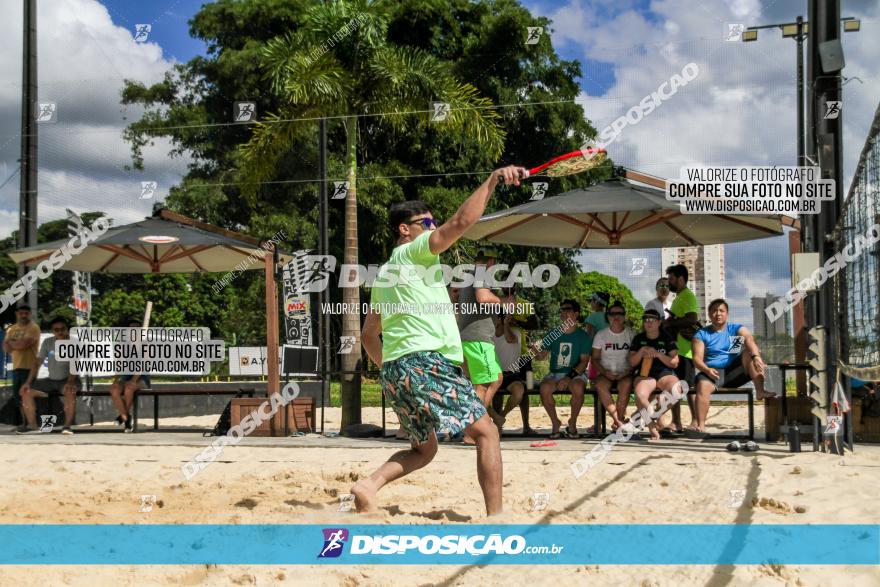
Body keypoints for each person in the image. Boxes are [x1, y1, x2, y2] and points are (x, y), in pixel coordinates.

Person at [355, 165, 526, 516]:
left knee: (424, 450)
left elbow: (369, 335)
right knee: (487, 432)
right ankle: (496, 520)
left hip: (396, 370)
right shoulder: (413, 251)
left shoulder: (384, 275)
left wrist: (391, 369)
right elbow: (461, 223)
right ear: (405, 230)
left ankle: (368, 485)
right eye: (426, 223)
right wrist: (492, 180)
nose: (433, 229)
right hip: (424, 362)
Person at [691, 298, 777, 435]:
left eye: (721, 311)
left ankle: (760, 391)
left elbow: (749, 339)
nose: (718, 314)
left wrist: (756, 356)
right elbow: (696, 359)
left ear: (727, 314)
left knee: (749, 353)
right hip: (712, 373)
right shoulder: (701, 334)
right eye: (714, 311)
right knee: (702, 385)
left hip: (733, 372)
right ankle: (701, 425)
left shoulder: (735, 329)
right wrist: (706, 369)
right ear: (709, 314)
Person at [457, 248, 512, 435]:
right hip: (478, 338)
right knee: (484, 384)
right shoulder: (481, 273)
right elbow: (483, 297)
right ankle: (473, 431)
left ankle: (484, 420)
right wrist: (505, 301)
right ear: (491, 261)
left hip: (473, 337)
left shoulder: (471, 275)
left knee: (496, 378)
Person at [533, 300, 590, 439]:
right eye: (562, 310)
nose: (563, 313)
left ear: (576, 314)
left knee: (577, 387)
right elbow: (542, 357)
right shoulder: (554, 333)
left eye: (568, 309)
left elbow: (584, 362)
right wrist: (535, 351)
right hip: (554, 374)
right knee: (544, 388)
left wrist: (568, 377)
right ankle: (555, 423)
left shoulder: (583, 336)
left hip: (575, 374)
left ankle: (573, 423)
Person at [17, 317, 82, 434]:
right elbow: (37, 363)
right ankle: (32, 426)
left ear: (67, 329)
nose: (60, 332)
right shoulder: (48, 342)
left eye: (63, 329)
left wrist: (70, 381)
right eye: (56, 330)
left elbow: (75, 364)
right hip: (51, 381)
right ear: (53, 331)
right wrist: (27, 382)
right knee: (26, 391)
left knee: (70, 391)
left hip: (70, 380)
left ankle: (67, 427)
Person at [628, 309, 680, 440]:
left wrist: (658, 354)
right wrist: (641, 351)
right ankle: (652, 425)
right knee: (640, 395)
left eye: (652, 320)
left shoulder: (666, 337)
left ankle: (647, 418)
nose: (648, 322)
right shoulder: (639, 338)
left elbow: (675, 362)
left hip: (664, 373)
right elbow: (632, 362)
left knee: (678, 389)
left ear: (659, 322)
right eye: (646, 320)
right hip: (645, 375)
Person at [663, 264, 700, 433]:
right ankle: (676, 422)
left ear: (681, 279)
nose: (668, 282)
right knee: (676, 387)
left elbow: (692, 318)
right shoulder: (679, 297)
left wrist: (670, 323)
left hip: (686, 351)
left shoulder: (687, 296)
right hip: (678, 351)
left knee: (689, 388)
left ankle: (696, 421)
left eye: (671, 279)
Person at [591, 302, 635, 432]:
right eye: (612, 313)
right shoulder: (601, 335)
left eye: (619, 313)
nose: (616, 316)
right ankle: (619, 421)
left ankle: (618, 422)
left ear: (624, 316)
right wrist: (605, 372)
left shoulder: (632, 335)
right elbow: (595, 359)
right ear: (608, 316)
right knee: (600, 386)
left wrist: (627, 372)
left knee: (625, 386)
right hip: (606, 373)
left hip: (625, 373)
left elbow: (636, 360)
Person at [108, 319, 152, 433]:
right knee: (114, 389)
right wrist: (116, 380)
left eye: (137, 328)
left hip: (142, 377)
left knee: (129, 388)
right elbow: (119, 363)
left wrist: (134, 380)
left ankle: (124, 419)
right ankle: (126, 417)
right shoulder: (123, 344)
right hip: (126, 376)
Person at [492, 313, 531, 435]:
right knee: (491, 396)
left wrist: (506, 325)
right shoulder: (488, 335)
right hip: (495, 373)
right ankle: (497, 421)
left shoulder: (516, 332)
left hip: (511, 374)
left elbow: (510, 339)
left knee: (519, 391)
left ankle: (501, 417)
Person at [3, 304, 41, 425]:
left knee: (27, 396)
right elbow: (6, 348)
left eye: (26, 313)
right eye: (21, 313)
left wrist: (11, 342)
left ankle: (32, 424)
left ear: (29, 314)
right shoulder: (12, 329)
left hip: (29, 367)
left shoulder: (33, 328)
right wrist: (14, 343)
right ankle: (25, 424)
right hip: (16, 368)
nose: (23, 315)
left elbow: (24, 344)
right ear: (17, 314)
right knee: (18, 398)